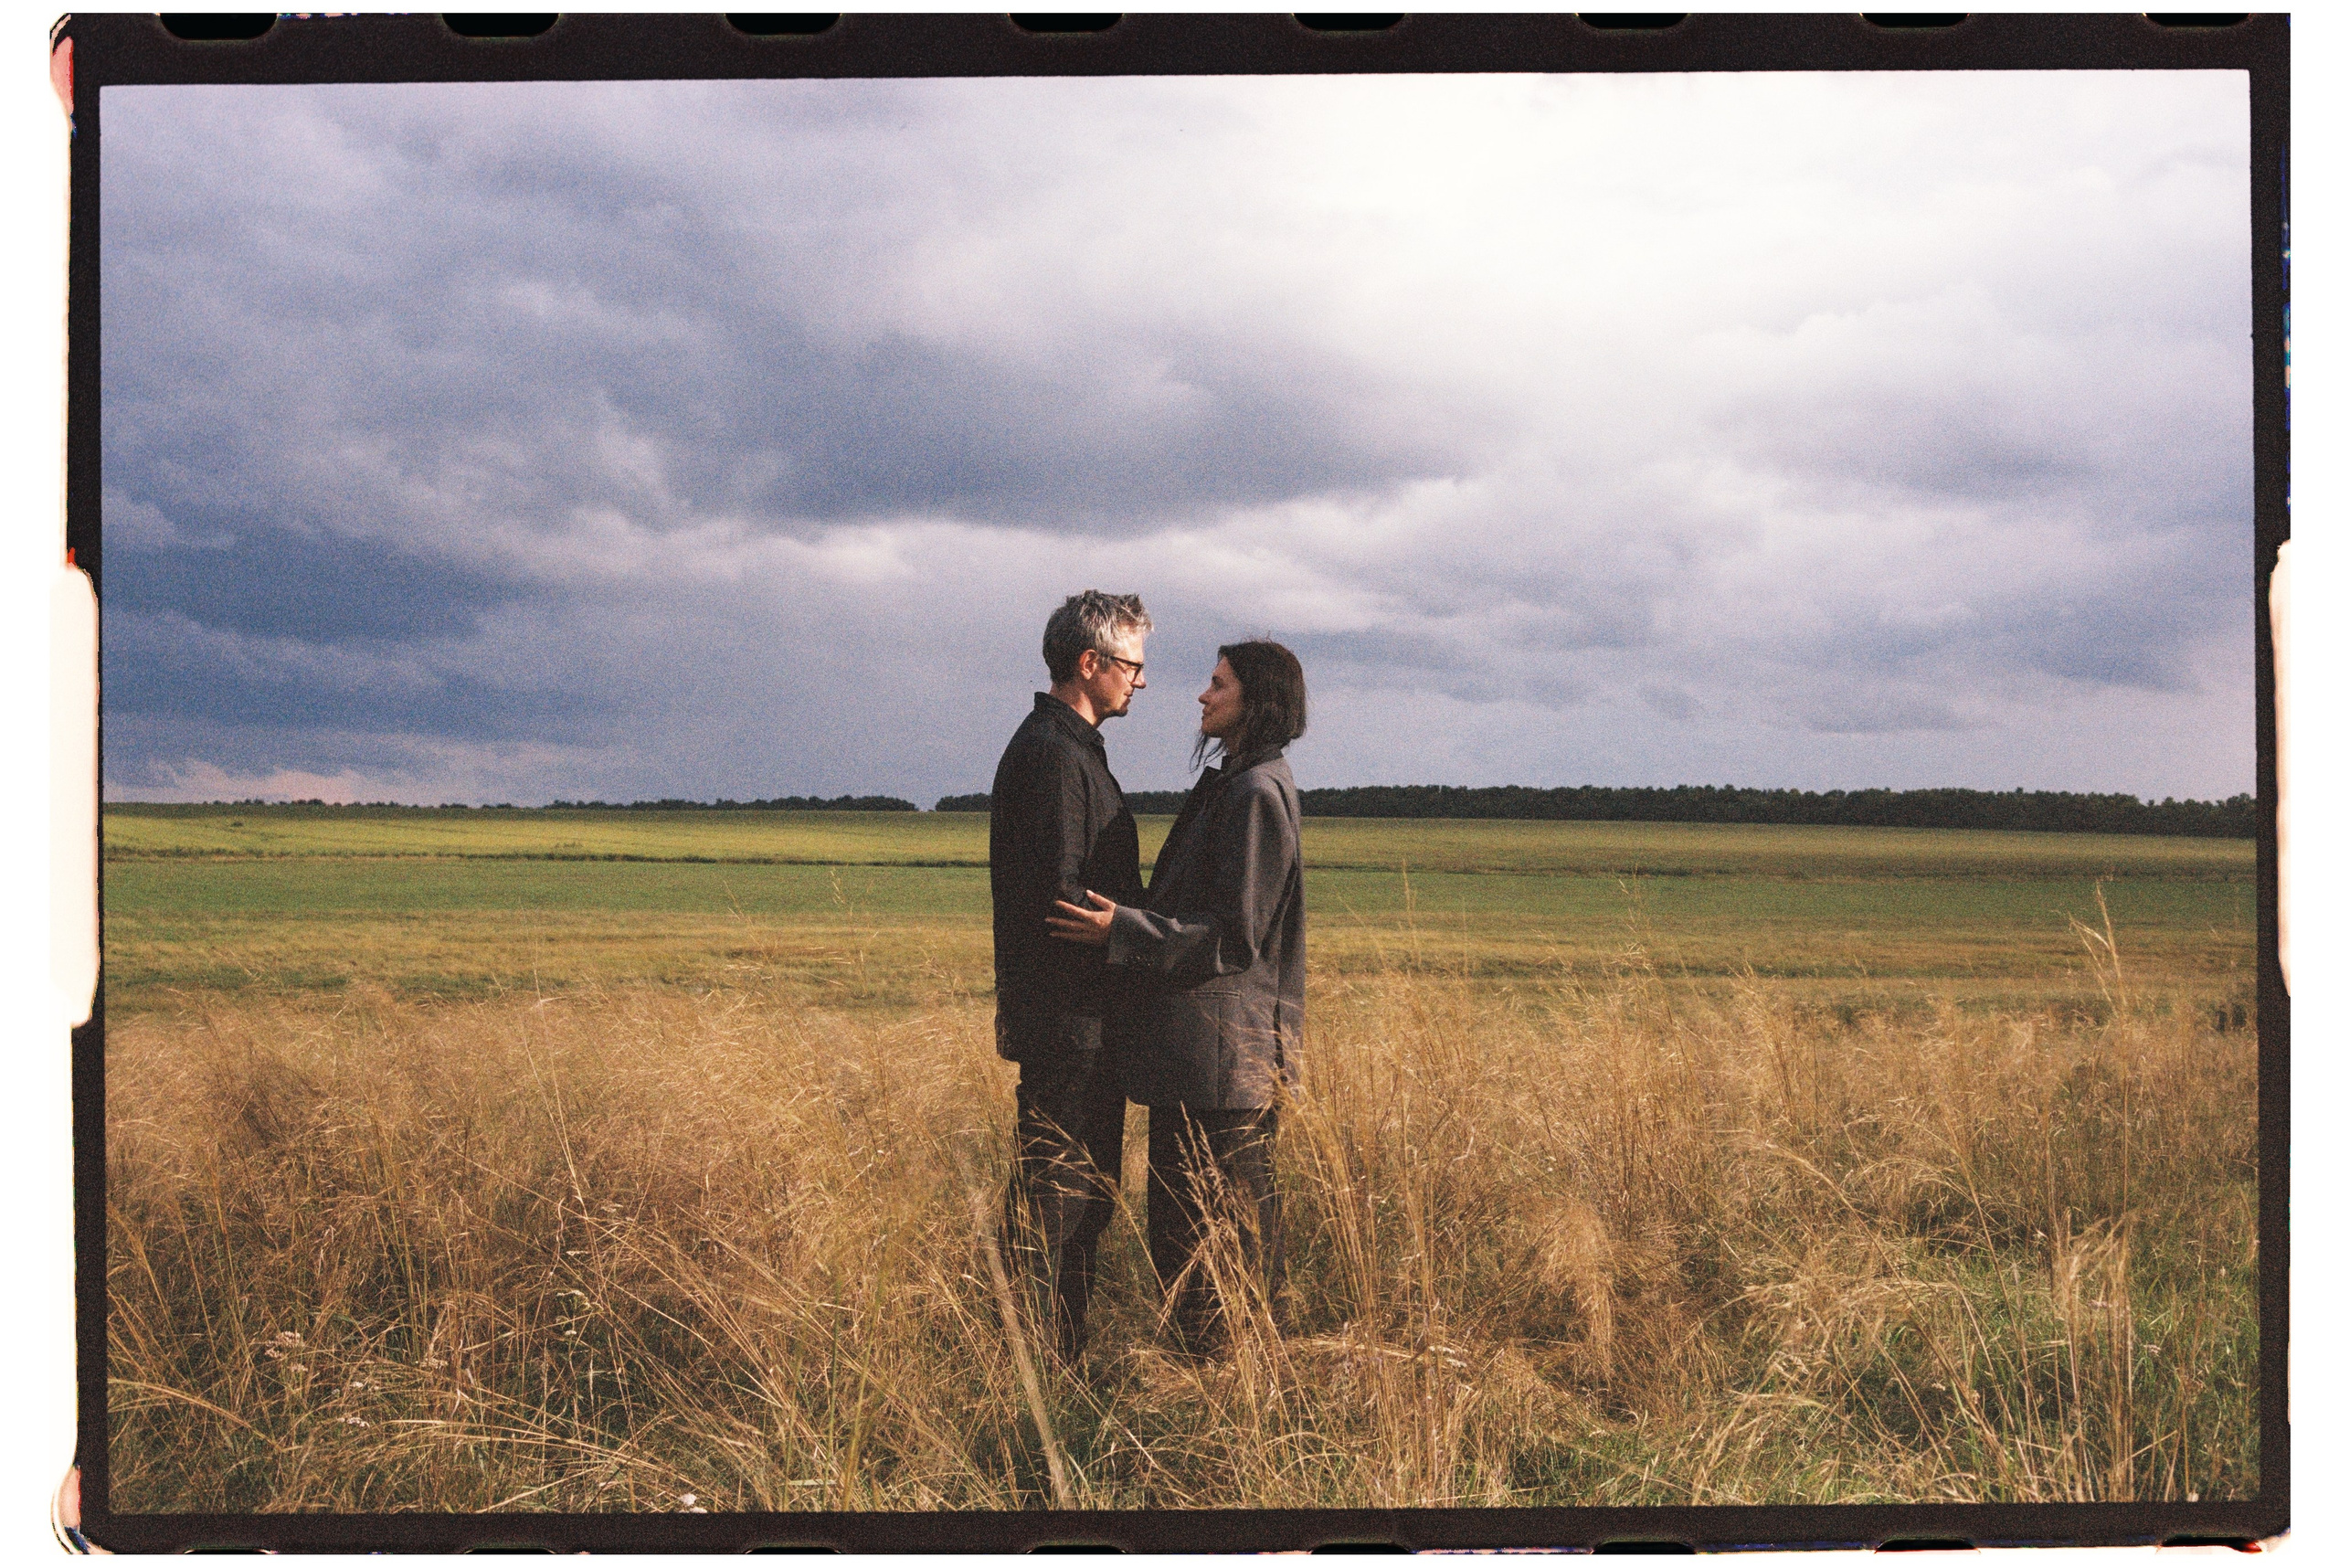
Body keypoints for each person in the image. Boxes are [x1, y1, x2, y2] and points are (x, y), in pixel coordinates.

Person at [1047, 639, 1307, 1351]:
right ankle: (1215, 1374)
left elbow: (1233, 937)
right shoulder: (1235, 784)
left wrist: (1120, 929)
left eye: (1219, 684)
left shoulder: (1255, 794)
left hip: (1224, 1069)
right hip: (1201, 1064)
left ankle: (1229, 1377)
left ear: (1257, 701)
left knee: (1215, 1240)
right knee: (1194, 1234)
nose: (1202, 695)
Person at [988, 589, 1152, 1361]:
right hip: (1070, 1024)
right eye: (1131, 665)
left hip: (1078, 1021)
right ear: (1090, 663)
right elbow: (1061, 902)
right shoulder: (1055, 757)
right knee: (1059, 1198)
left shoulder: (1069, 749)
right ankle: (1036, 1367)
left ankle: (1054, 1357)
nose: (1140, 681)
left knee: (1076, 1196)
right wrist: (1145, 936)